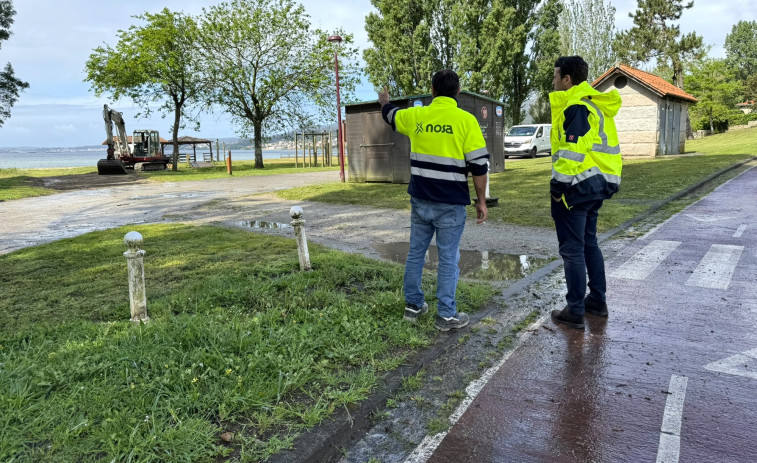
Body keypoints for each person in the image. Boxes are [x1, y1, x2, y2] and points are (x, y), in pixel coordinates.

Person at [378, 69, 489, 331]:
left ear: (432, 90)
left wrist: (384, 100)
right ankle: (446, 315)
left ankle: (413, 306)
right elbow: (479, 166)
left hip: (420, 198)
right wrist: (481, 201)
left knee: (416, 252)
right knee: (448, 257)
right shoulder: (466, 121)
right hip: (450, 203)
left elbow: (391, 115)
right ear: (458, 92)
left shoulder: (417, 116)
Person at [549, 56, 622, 330]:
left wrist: (558, 188)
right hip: (598, 184)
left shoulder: (577, 107)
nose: (554, 82)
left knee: (572, 249)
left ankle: (575, 310)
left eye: (556, 77)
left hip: (576, 187)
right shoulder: (594, 104)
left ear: (567, 79)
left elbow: (572, 151)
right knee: (589, 243)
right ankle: (597, 301)